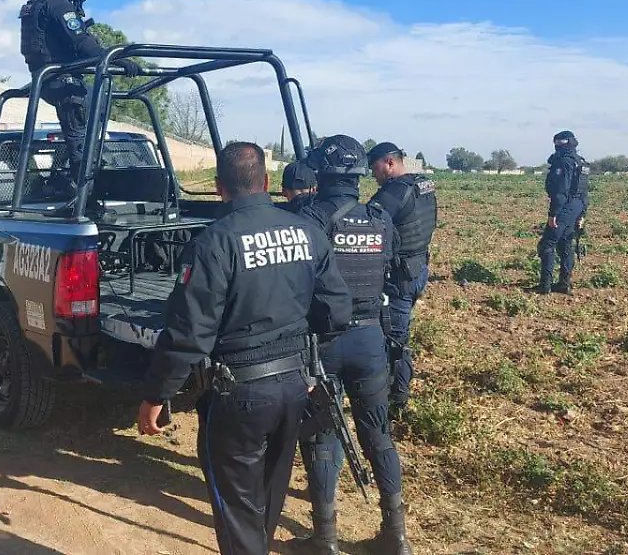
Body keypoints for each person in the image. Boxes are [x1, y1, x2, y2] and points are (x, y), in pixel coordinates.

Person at [136, 142, 352, 555]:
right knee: (268, 498)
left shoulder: (212, 244)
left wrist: (155, 396)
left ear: (219, 187)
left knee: (237, 511)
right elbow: (336, 311)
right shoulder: (308, 233)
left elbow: (187, 333)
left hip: (238, 395)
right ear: (268, 182)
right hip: (295, 388)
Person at [293, 135, 413, 555]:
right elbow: (394, 276)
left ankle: (324, 540)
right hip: (371, 340)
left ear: (320, 174)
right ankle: (395, 537)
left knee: (322, 436)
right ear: (361, 174)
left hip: (322, 345)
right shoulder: (381, 218)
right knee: (379, 433)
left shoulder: (307, 219)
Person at [19, 0, 140, 197]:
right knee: (81, 141)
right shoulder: (59, 5)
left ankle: (66, 181)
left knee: (86, 120)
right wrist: (115, 58)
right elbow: (81, 41)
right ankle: (85, 195)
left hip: (48, 77)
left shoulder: (40, 2)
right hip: (62, 81)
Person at [367, 142, 437, 416]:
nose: (374, 176)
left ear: (389, 163)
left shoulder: (394, 191)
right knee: (399, 333)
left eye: (375, 169)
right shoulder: (423, 185)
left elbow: (370, 220)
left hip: (400, 275)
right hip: (418, 267)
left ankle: (396, 401)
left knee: (394, 339)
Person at [537, 130, 590, 294]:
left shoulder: (564, 162)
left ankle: (545, 287)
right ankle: (563, 284)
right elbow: (584, 191)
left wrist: (553, 214)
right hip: (578, 205)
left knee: (547, 244)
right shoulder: (580, 162)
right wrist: (582, 213)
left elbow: (561, 191)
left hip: (565, 206)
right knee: (565, 243)